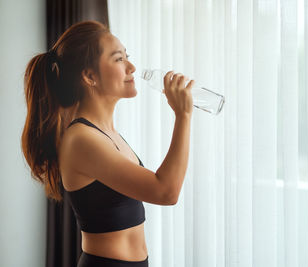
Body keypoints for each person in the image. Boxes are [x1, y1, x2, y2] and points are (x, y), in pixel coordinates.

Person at [21, 20, 194, 267]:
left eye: (127, 57)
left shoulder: (106, 133)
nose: (132, 67)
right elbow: (166, 191)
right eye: (118, 59)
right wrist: (183, 116)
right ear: (90, 76)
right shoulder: (82, 139)